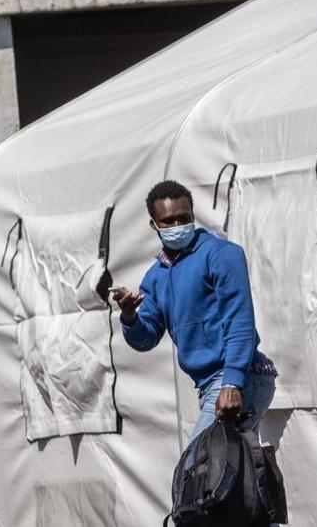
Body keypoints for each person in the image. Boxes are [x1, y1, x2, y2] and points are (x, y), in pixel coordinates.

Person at [112, 180, 276, 442]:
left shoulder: (221, 254)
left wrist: (232, 382)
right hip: (210, 384)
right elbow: (146, 338)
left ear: (192, 215)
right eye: (168, 221)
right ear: (154, 225)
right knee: (232, 474)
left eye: (183, 218)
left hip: (238, 375)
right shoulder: (156, 276)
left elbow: (239, 320)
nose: (177, 226)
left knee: (198, 471)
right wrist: (130, 316)